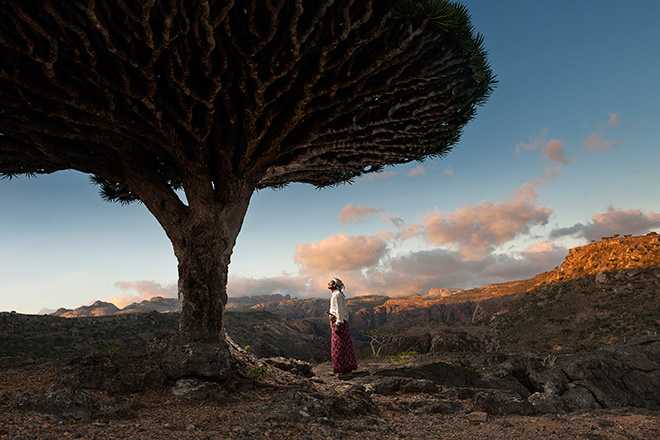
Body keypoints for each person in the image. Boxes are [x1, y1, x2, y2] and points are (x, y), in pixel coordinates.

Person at [327, 277, 358, 376]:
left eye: (331, 282)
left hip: (338, 323)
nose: (329, 283)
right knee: (341, 345)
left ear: (335, 285)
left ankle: (343, 370)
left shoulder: (337, 295)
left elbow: (340, 310)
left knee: (339, 346)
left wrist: (338, 323)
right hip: (338, 322)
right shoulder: (336, 295)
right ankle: (344, 369)